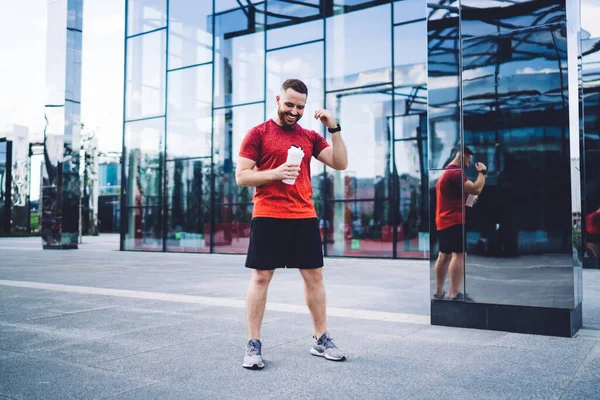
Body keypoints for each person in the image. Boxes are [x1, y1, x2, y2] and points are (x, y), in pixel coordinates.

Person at [236, 78, 348, 369]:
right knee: (261, 278)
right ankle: (253, 344)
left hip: (303, 215)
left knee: (315, 277)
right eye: (289, 104)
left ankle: (321, 338)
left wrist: (333, 127)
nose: (294, 111)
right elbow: (242, 176)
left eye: (300, 107)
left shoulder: (310, 136)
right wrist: (274, 173)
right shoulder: (257, 134)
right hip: (268, 214)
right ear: (277, 99)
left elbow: (340, 163)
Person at [433, 146, 487, 301]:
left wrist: (467, 199)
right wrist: (482, 173)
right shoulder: (456, 173)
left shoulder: (446, 173)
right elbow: (476, 189)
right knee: (459, 255)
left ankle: (439, 292)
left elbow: (457, 196)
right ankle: (455, 294)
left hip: (443, 220)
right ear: (462, 155)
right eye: (469, 157)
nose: (471, 161)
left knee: (444, 255)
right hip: (454, 220)